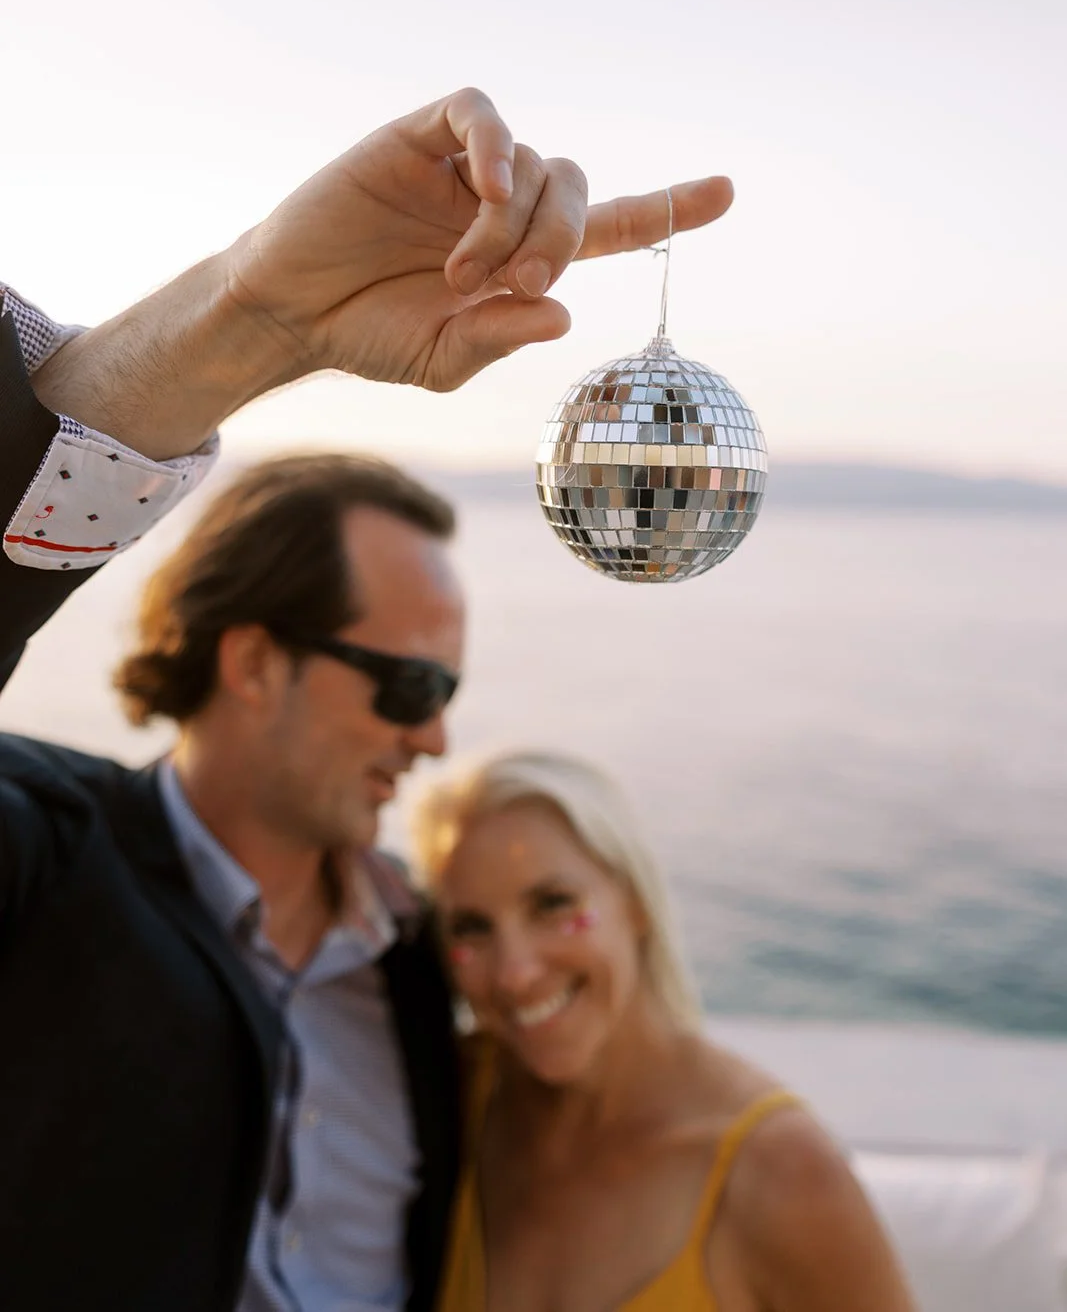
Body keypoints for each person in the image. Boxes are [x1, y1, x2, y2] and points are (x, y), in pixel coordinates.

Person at [0, 88, 734, 1312]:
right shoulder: (38, 859)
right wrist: (251, 316)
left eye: (443, 689)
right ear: (252, 661)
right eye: (406, 683)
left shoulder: (422, 959)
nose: (435, 734)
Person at [412, 751, 917, 1312]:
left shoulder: (785, 1175)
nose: (516, 973)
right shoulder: (454, 1100)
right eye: (472, 928)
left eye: (553, 904)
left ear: (635, 902)